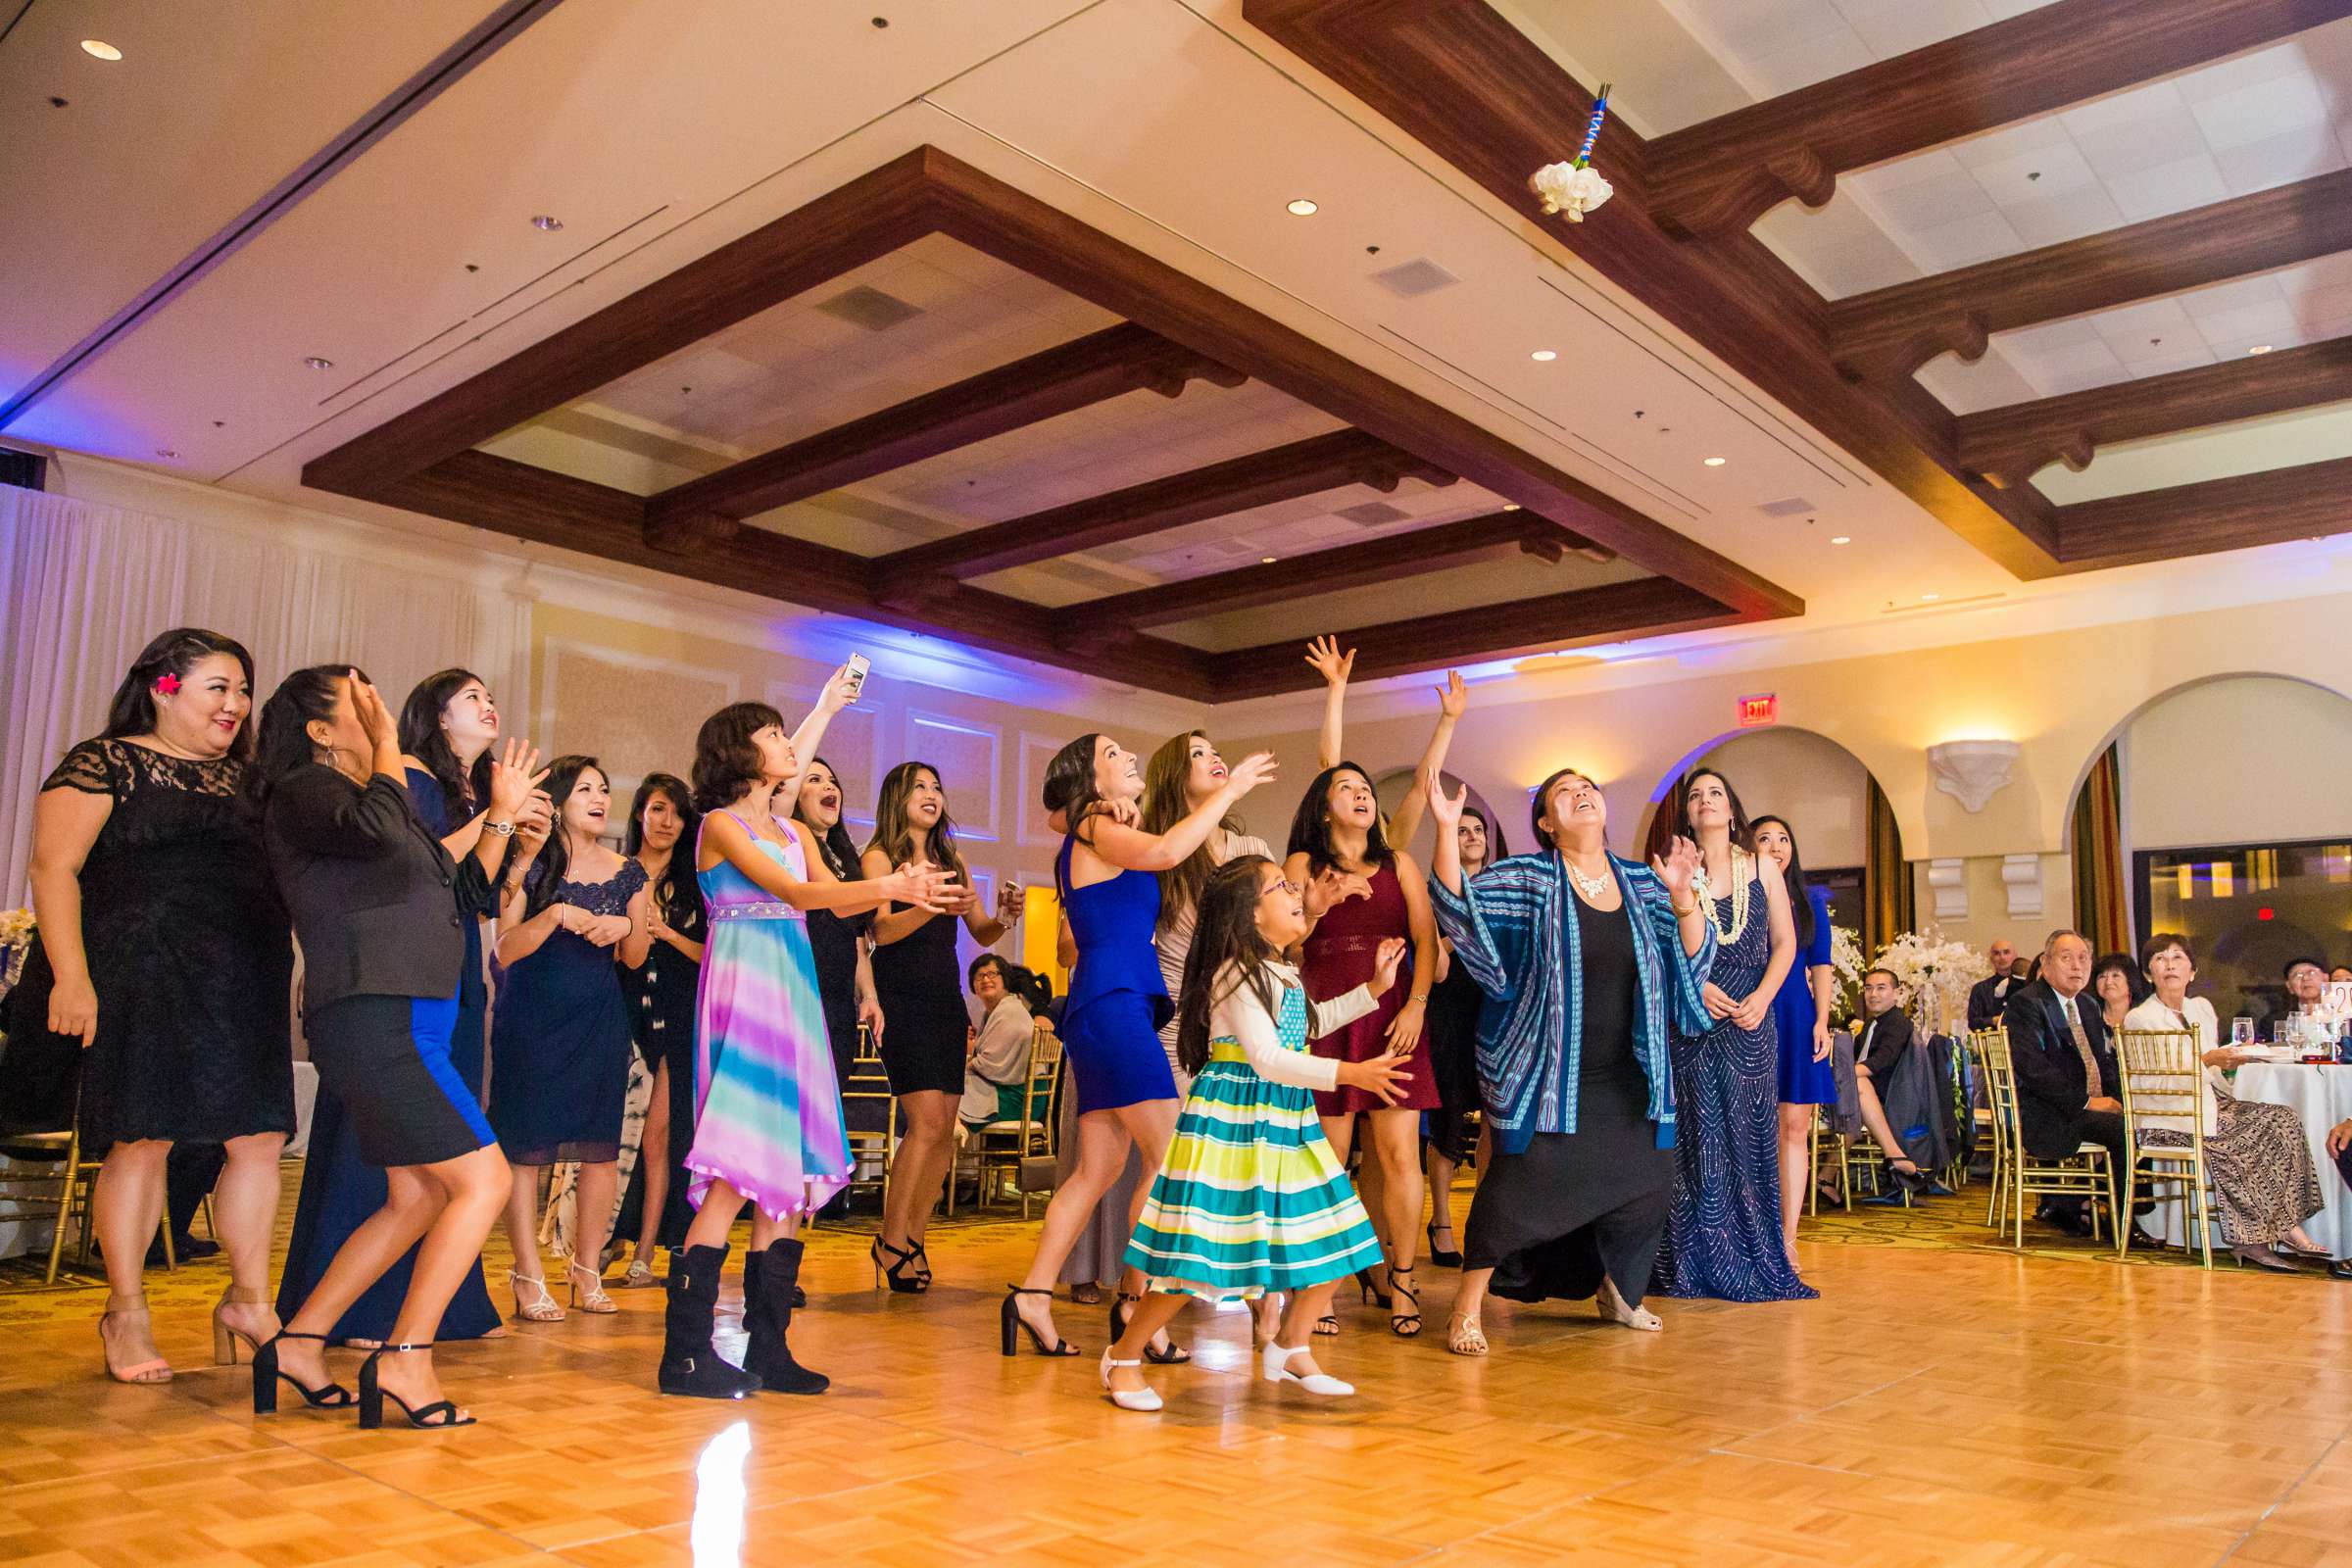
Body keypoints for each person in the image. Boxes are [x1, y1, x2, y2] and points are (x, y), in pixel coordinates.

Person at [256, 666, 538, 1429]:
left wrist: (503, 818)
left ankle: (300, 1344)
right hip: (379, 1011)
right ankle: (407, 1359)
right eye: (361, 704)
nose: (378, 711)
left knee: (417, 1196)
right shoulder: (307, 791)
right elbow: (382, 829)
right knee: (485, 1182)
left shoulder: (371, 803)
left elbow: (462, 888)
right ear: (319, 730)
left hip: (414, 1012)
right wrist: (387, 743)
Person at [14, 628, 295, 1385]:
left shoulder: (254, 782)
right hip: (143, 973)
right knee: (142, 1139)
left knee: (259, 1138)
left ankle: (247, 1298)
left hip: (246, 978)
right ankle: (126, 1310)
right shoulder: (106, 760)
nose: (236, 704)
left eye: (243, 690)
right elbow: (54, 868)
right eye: (218, 687)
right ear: (164, 688)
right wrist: (71, 978)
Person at [659, 703, 955, 1398]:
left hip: (792, 988)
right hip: (747, 985)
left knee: (785, 1177)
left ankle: (768, 1348)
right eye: (770, 734)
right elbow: (792, 889)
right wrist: (887, 882)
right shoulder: (720, 827)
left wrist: (904, 894)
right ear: (739, 751)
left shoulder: (792, 829)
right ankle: (686, 1353)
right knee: (737, 1166)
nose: (784, 744)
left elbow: (836, 905)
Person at [1422, 764, 1713, 1355]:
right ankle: (1466, 1306)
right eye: (1565, 792)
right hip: (1550, 1074)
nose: (1582, 794)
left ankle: (1618, 1292)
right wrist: (1447, 833)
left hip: (1630, 1075)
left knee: (1643, 1184)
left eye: (1589, 788)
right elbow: (1459, 909)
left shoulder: (1643, 881)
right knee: (1518, 1187)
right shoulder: (1529, 878)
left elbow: (1693, 963)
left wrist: (1684, 896)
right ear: (1547, 825)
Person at [1002, 732, 1274, 1361]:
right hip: (1115, 1004)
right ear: (1093, 784)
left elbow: (1055, 809)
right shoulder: (1098, 826)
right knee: (1171, 1159)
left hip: (1107, 1005)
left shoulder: (1092, 822)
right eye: (1114, 755)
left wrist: (1098, 805)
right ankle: (1136, 1303)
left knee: (1097, 1172)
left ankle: (1034, 1296)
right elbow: (1168, 848)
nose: (1131, 757)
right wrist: (1232, 788)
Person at [1103, 857, 1411, 1410]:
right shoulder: (1235, 974)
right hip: (1234, 1123)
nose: (1294, 892)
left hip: (1285, 1122)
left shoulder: (1282, 971)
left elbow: (1308, 1026)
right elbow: (1268, 1058)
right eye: (1278, 887)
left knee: (1341, 1237)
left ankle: (1291, 1346)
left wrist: (1373, 988)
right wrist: (1350, 1073)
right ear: (1249, 914)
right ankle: (1123, 1356)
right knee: (1197, 1258)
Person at [489, 756, 653, 1318]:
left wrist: (628, 926)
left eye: (604, 789)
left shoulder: (629, 871)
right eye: (585, 788)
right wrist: (556, 914)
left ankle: (586, 1271)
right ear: (557, 801)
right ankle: (526, 1273)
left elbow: (634, 958)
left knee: (600, 1150)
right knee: (526, 1149)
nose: (600, 797)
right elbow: (504, 950)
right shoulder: (528, 861)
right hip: (531, 1020)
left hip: (598, 1020)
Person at [1286, 757, 1441, 1337]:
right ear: (1324, 807)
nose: (1361, 794)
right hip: (1327, 1015)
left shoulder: (1398, 863)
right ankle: (1319, 1285)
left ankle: (1402, 1278)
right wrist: (1318, 907)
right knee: (1328, 1161)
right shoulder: (1304, 862)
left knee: (1402, 1155)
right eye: (1345, 787)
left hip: (1396, 1017)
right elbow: (1283, 938)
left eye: (1365, 786)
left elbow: (1425, 939)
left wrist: (1416, 1005)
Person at [1647, 767, 1813, 1303]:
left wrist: (1763, 998)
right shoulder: (1674, 870)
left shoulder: (1763, 865)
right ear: (1687, 815)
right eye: (1695, 796)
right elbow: (1660, 949)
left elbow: (1785, 944)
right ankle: (1693, 1261)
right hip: (1693, 1017)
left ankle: (1755, 1255)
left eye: (1715, 792)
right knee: (1696, 1140)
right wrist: (1700, 988)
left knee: (1749, 1137)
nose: (1705, 801)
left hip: (1750, 1019)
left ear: (1731, 809)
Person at [860, 760, 1022, 1292]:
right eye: (918, 787)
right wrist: (930, 905)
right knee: (925, 1124)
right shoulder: (879, 857)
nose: (931, 794)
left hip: (945, 1002)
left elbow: (983, 931)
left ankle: (914, 1237)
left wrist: (1007, 914)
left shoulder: (954, 859)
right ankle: (889, 1240)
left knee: (945, 1133)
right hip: (901, 999)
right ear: (897, 798)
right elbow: (880, 930)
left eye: (936, 786)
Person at [2126, 935, 2327, 1270]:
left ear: (2192, 971)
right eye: (2160, 959)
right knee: (2246, 1138)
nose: (2170, 964)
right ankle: (2269, 1235)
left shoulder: (2200, 1008)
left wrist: (2233, 1065)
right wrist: (2207, 1060)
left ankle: (2278, 1226)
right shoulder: (2140, 1019)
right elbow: (2150, 1083)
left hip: (2212, 1103)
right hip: (2168, 1117)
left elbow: (2216, 1072)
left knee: (2283, 1119)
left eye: (2178, 957)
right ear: (2149, 974)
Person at [613, 773, 707, 1287]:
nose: (665, 821)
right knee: (611, 1136)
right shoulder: (619, 873)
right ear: (640, 815)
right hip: (622, 1013)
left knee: (657, 1138)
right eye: (656, 809)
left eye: (675, 812)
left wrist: (665, 931)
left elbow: (710, 954)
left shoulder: (693, 881)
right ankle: (608, 1236)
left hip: (678, 1016)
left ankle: (646, 1250)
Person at [2004, 930, 2138, 1240]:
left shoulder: (2088, 1005)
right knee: (2127, 1132)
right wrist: (2088, 1102)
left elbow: (2101, 1065)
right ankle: (2124, 1224)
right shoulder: (2026, 1003)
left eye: (2083, 958)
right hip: (2048, 1112)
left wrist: (2120, 1097)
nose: (2077, 966)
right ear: (2047, 963)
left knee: (2139, 1119)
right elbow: (2033, 1069)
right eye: (2067, 958)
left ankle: (2095, 1208)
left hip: (2085, 1110)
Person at [790, 758, 886, 1167]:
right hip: (796, 992)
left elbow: (857, 940)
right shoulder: (789, 847)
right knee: (792, 1110)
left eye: (832, 779)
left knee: (824, 1110)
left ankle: (800, 1216)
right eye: (814, 780)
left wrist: (869, 995)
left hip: (836, 1002)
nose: (830, 786)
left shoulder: (848, 859)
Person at [1424, 802, 1505, 1270]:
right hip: (1450, 1011)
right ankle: (1441, 1223)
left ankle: (1483, 1221)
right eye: (1462, 830)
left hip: (1493, 1009)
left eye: (1478, 830)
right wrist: (1463, 931)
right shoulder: (1435, 894)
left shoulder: (1501, 889)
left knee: (1495, 1120)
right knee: (1450, 1122)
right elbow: (1434, 966)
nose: (1472, 836)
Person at [1750, 815, 1835, 1261]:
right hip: (1750, 1013)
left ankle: (1787, 1238)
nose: (1776, 845)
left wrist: (1822, 1020)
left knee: (1794, 1127)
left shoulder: (1810, 901)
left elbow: (1821, 963)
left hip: (1797, 1015)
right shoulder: (1740, 897)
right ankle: (1748, 1232)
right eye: (1764, 838)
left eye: (1784, 838)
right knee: (1750, 1128)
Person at [1838, 968, 1942, 1203]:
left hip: (1894, 1098)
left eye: (1881, 988)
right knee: (1855, 1098)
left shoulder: (1897, 1023)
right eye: (1868, 988)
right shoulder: (1870, 1025)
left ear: (1897, 993)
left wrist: (1839, 1076)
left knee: (1859, 1087)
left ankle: (1893, 1154)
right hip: (1867, 1099)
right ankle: (1826, 1177)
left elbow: (1880, 1062)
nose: (1873, 994)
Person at [959, 955, 1042, 1131]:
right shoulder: (993, 1012)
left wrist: (970, 1056)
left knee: (950, 1095)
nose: (985, 979)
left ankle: (953, 1135)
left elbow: (992, 1064)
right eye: (979, 976)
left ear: (1005, 979)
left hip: (1022, 1097)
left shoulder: (1009, 1011)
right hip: (1009, 1091)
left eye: (992, 974)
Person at [1966, 939, 2020, 1032]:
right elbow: (1973, 1023)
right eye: (1997, 953)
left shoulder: (2027, 986)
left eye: (2006, 952)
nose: (2002, 957)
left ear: (2016, 956)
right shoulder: (1980, 989)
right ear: (1991, 959)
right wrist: (1995, 1020)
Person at [2091, 952, 2146, 1033]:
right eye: (2102, 976)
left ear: (2131, 981)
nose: (2108, 982)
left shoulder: (2145, 1017)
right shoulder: (2089, 1019)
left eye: (2115, 975)